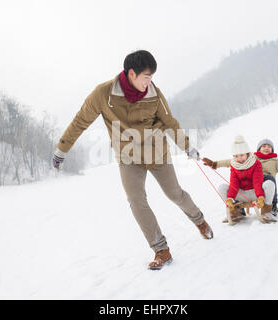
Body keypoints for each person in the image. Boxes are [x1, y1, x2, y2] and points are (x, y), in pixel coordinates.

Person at [52, 50, 213, 270]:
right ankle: (161, 250)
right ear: (131, 74)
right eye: (146, 77)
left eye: (152, 77)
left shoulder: (154, 94)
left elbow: (169, 123)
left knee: (174, 193)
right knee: (137, 201)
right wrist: (62, 149)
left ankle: (199, 221)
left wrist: (187, 146)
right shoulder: (103, 94)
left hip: (157, 152)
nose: (150, 82)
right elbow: (81, 120)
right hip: (128, 157)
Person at [202, 138, 278, 214]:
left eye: (269, 147)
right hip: (248, 184)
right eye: (264, 146)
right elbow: (231, 161)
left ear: (272, 150)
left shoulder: (275, 162)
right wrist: (215, 164)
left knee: (269, 179)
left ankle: (271, 207)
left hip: (263, 185)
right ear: (258, 149)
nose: (266, 148)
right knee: (234, 183)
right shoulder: (250, 158)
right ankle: (237, 210)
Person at [205, 135, 277, 224]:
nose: (239, 159)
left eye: (242, 155)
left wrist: (260, 197)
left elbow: (257, 181)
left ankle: (266, 211)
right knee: (222, 187)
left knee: (269, 183)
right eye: (236, 156)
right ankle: (236, 212)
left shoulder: (255, 163)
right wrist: (230, 198)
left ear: (247, 153)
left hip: (255, 193)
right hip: (242, 194)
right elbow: (234, 183)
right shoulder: (234, 165)